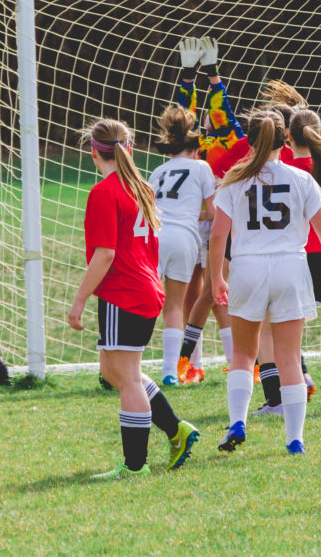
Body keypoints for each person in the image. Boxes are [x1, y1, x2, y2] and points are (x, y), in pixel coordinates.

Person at [209, 109, 321, 455]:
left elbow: (217, 236)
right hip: (291, 267)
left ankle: (238, 423)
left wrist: (216, 277)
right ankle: (294, 440)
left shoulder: (234, 180)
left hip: (247, 269)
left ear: (250, 140)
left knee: (244, 353)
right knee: (289, 357)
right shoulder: (302, 179)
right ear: (284, 138)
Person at [67, 117, 199, 480]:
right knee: (114, 371)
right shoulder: (141, 186)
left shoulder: (105, 192)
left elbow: (105, 254)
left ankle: (135, 465)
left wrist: (79, 299)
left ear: (95, 153)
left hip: (123, 292)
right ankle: (177, 430)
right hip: (144, 288)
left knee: (125, 377)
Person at [246, 108, 321, 416]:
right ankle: (300, 378)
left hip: (289, 256)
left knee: (271, 331)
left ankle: (279, 399)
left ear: (287, 138)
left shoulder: (281, 168)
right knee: (288, 327)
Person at [172, 37, 243, 383]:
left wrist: (214, 76)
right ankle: (193, 365)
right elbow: (181, 120)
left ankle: (237, 360)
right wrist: (188, 77)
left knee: (218, 290)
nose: (210, 119)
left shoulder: (233, 139)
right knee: (191, 291)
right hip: (191, 223)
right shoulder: (193, 143)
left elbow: (224, 111)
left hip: (221, 223)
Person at [148, 105, 216, 386]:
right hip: (184, 238)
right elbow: (212, 212)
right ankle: (169, 372)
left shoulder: (157, 171)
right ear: (195, 144)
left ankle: (125, 362)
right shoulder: (202, 167)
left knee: (146, 303)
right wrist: (191, 213)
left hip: (154, 235)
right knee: (174, 306)